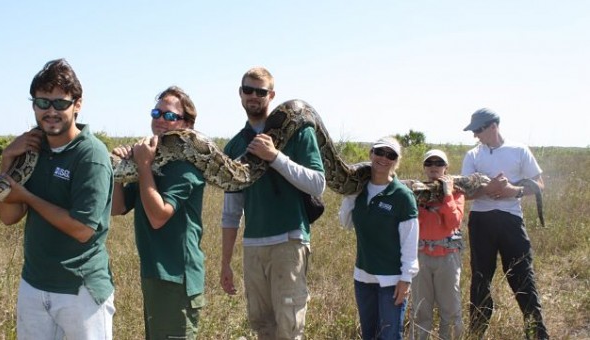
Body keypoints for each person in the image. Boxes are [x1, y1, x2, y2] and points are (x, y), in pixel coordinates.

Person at [0, 58, 115, 339]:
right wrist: (6, 159)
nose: (51, 111)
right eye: (42, 102)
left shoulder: (91, 155)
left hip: (79, 291)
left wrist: (27, 196)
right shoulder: (30, 149)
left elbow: (83, 230)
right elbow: (8, 217)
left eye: (60, 103)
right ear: (33, 104)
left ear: (77, 104)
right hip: (34, 284)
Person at [219, 67, 326, 340]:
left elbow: (317, 184)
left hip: (289, 241)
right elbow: (231, 212)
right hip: (253, 246)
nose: (254, 96)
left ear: (272, 95)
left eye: (261, 91)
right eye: (248, 90)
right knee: (262, 326)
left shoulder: (299, 132)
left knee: (289, 328)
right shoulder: (234, 147)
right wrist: (225, 262)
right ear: (240, 94)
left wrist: (275, 156)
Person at [111, 86, 205, 339]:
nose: (161, 119)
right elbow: (117, 208)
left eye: (170, 116)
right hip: (155, 273)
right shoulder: (154, 158)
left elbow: (158, 216)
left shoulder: (185, 166)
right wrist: (119, 170)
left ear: (186, 124)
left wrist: (142, 165)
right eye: (156, 113)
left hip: (177, 277)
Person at [461, 108, 549, 339]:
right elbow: (463, 194)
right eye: (473, 131)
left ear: (493, 126)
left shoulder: (519, 150)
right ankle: (477, 333)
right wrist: (487, 189)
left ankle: (537, 334)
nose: (475, 136)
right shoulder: (472, 156)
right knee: (480, 280)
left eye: (478, 130)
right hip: (480, 222)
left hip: (511, 222)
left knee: (523, 278)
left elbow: (539, 185)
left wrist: (514, 190)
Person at [339, 136, 419, 340]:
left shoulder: (402, 195)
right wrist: (350, 194)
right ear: (371, 154)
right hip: (363, 277)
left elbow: (410, 240)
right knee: (369, 334)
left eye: (390, 155)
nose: (384, 158)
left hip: (392, 281)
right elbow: (345, 224)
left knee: (390, 335)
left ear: (396, 161)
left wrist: (406, 279)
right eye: (380, 152)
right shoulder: (360, 190)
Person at [410, 149, 465, 340]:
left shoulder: (457, 192)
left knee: (450, 311)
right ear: (424, 167)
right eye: (429, 163)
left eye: (438, 163)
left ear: (446, 168)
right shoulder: (415, 192)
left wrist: (447, 195)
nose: (434, 167)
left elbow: (453, 222)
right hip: (421, 256)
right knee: (420, 310)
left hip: (447, 256)